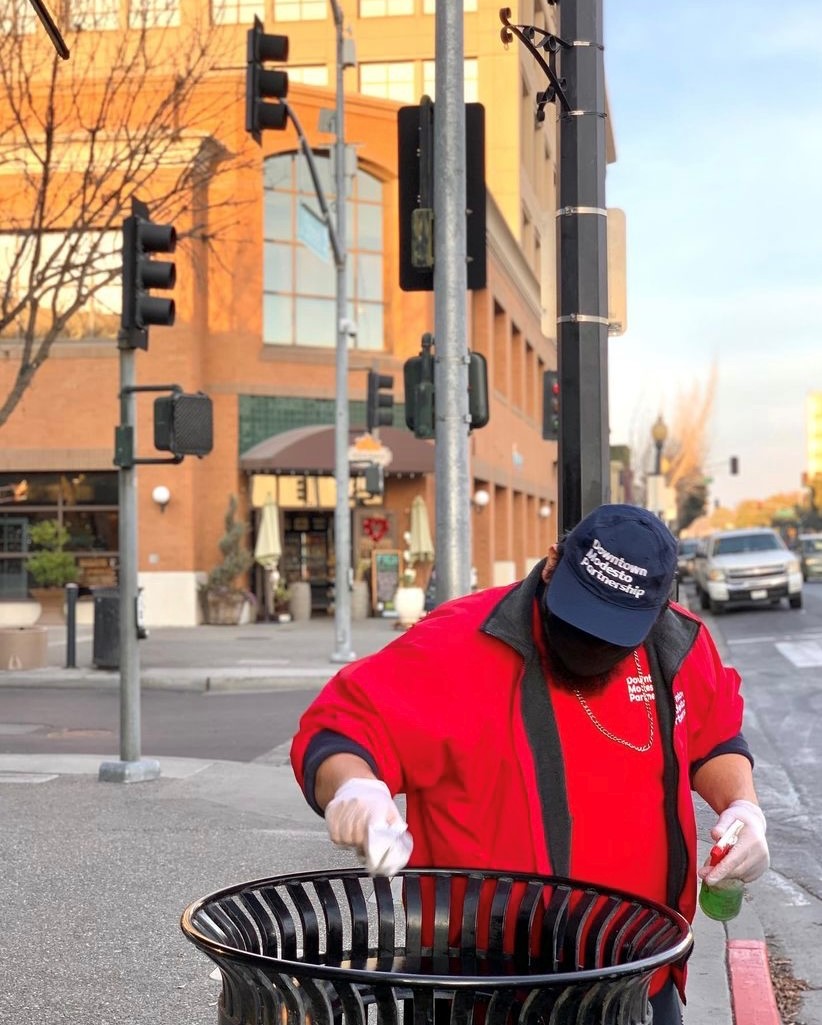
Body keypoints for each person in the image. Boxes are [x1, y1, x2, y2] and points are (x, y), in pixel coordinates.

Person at [290, 504, 770, 1024]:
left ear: (657, 612)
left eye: (609, 636)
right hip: (489, 988)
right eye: (576, 620)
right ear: (550, 564)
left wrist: (743, 807)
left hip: (639, 975)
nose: (587, 646)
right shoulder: (459, 643)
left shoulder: (677, 643)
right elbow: (339, 730)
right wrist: (355, 790)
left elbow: (714, 737)